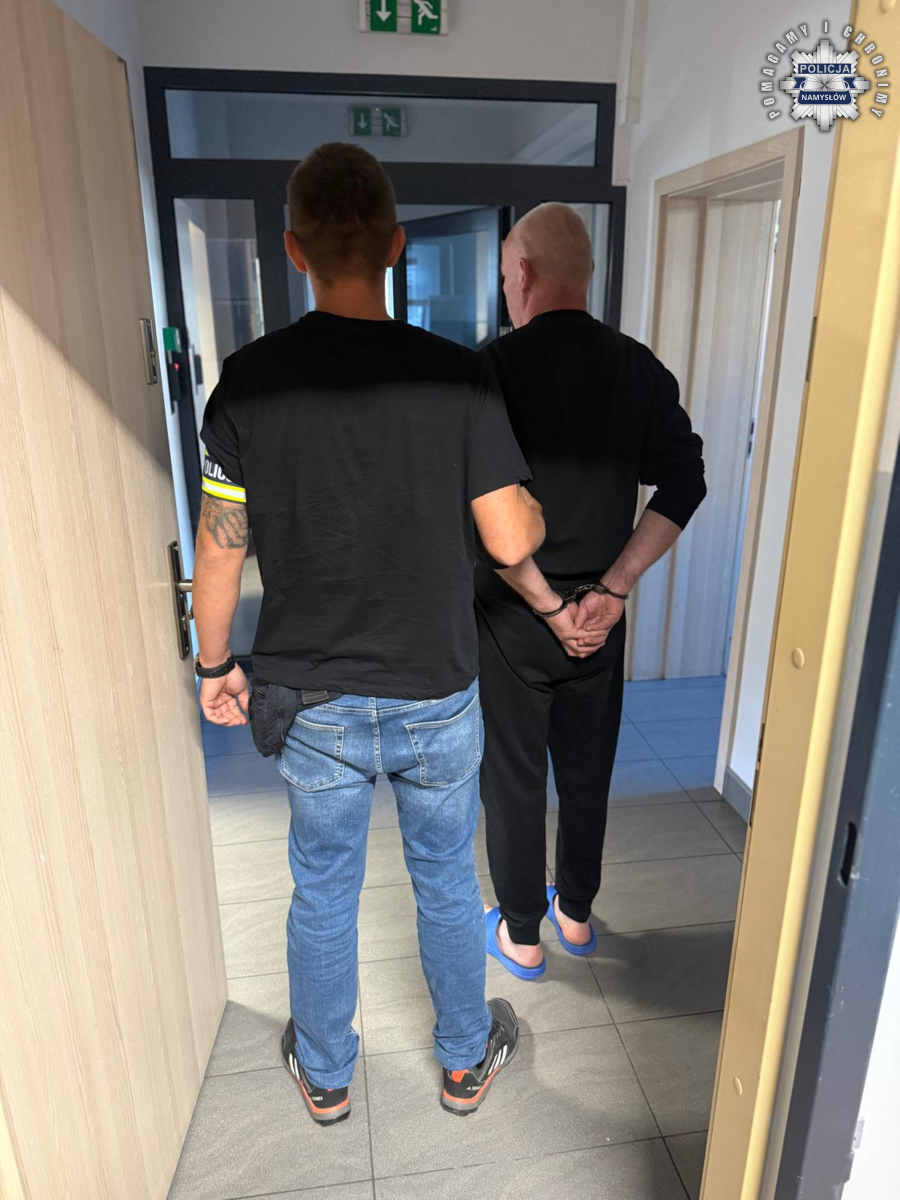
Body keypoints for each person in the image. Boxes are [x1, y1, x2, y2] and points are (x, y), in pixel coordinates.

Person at [190, 143, 559, 1123]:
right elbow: (510, 537)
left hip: (310, 699)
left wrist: (215, 665)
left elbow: (220, 548)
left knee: (322, 889)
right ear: (395, 245)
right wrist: (526, 501)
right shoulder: (458, 377)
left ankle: (325, 1075)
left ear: (294, 249)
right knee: (445, 884)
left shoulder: (249, 383)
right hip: (435, 688)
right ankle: (464, 1062)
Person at [477, 203, 707, 979]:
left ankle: (522, 936)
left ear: (524, 273)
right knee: (585, 772)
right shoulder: (637, 369)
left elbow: (477, 511)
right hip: (599, 621)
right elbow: (685, 481)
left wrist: (548, 606)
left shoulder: (490, 370)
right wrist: (614, 588)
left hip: (514, 618)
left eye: (505, 273)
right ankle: (575, 916)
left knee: (513, 780)